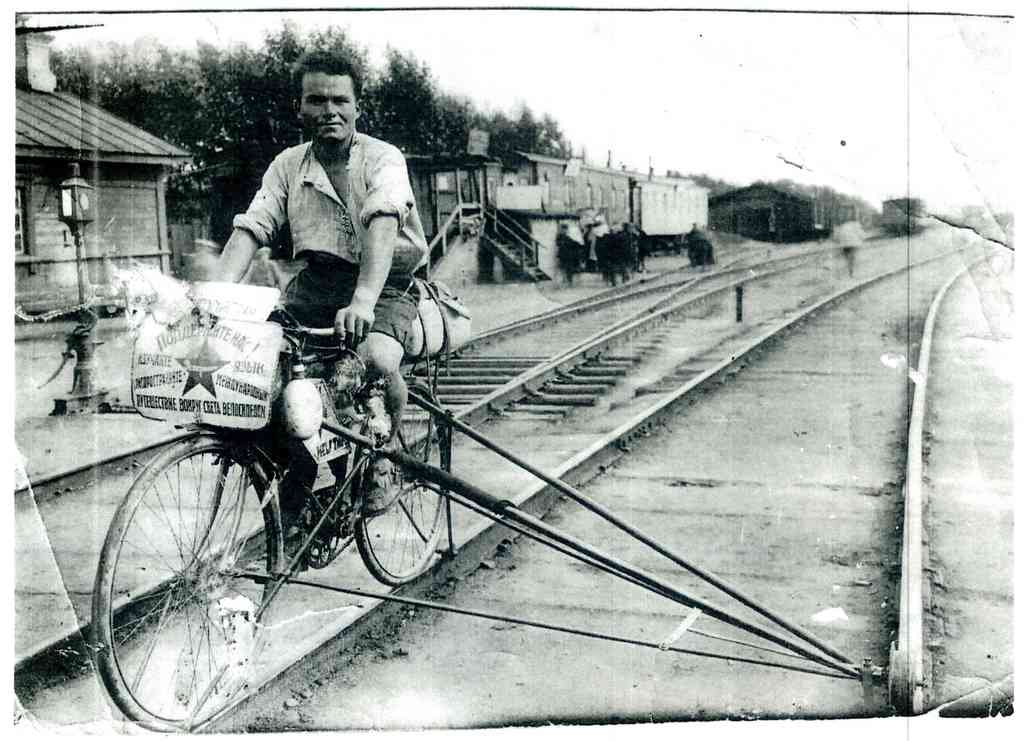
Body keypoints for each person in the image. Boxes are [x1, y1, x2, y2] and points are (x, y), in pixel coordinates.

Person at [213, 50, 428, 520]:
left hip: (385, 279)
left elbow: (384, 219)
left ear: (356, 106)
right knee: (261, 366)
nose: (329, 110)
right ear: (300, 107)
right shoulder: (288, 165)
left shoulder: (382, 157)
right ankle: (306, 471)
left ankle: (386, 455)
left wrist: (365, 300)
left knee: (375, 358)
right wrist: (215, 296)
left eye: (340, 99)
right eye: (316, 99)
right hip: (318, 281)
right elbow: (253, 226)